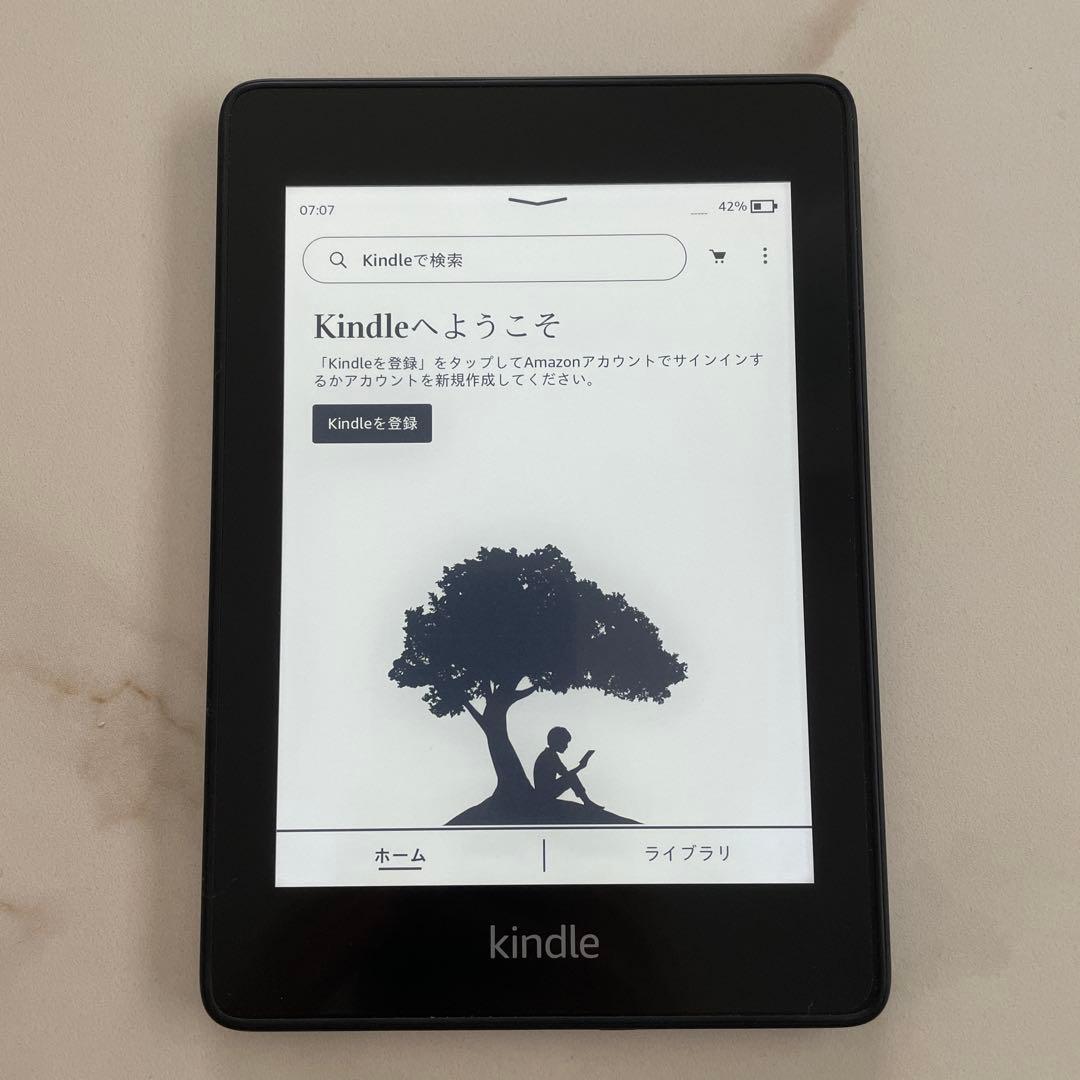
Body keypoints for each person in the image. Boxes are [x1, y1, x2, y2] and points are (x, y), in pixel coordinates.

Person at [532, 726, 603, 810]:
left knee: (571, 777)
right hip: (544, 793)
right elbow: (566, 775)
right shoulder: (549, 756)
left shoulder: (550, 754)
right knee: (572, 777)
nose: (566, 746)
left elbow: (564, 773)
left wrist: (579, 767)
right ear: (557, 741)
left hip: (546, 791)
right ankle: (587, 802)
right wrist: (580, 767)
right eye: (565, 742)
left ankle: (587, 801)